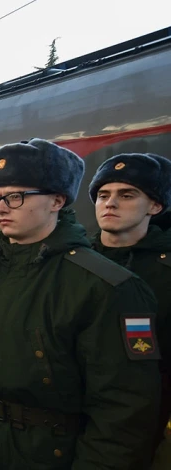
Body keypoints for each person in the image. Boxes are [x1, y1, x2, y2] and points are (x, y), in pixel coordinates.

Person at [0, 138, 162, 470]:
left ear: (57, 200)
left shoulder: (107, 286)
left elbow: (124, 408)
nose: (0, 207)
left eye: (16, 196)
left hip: (48, 451)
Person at [88, 153, 171, 462]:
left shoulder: (165, 273)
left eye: (127, 195)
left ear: (155, 206)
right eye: (103, 195)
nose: (110, 203)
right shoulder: (73, 262)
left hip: (143, 428)